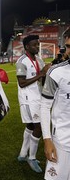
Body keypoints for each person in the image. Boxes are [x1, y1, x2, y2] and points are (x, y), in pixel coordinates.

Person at [15, 35, 51, 173]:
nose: (37, 47)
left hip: (38, 97)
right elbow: (22, 83)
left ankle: (23, 154)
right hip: (28, 99)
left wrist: (48, 72)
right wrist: (41, 73)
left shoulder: (40, 60)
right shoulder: (21, 61)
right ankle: (32, 157)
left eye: (38, 44)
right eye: (34, 45)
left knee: (30, 126)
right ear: (27, 47)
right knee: (39, 127)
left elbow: (42, 78)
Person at [40, 30, 70, 180]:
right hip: (62, 142)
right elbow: (45, 107)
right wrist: (47, 140)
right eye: (69, 46)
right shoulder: (56, 73)